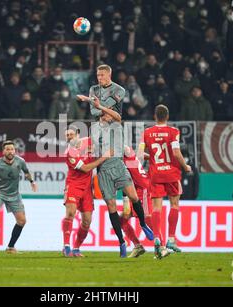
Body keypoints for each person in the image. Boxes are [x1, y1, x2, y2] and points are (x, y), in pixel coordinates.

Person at [77, 65, 153, 258]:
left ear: (109, 74)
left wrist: (99, 105)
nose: (99, 78)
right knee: (111, 206)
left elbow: (117, 115)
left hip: (118, 166)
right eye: (98, 75)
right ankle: (121, 242)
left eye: (102, 75)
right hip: (103, 170)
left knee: (134, 197)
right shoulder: (94, 128)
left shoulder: (116, 125)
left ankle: (143, 224)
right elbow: (95, 117)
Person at [139, 105, 192, 259]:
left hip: (156, 174)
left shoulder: (147, 132)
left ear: (155, 116)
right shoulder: (173, 132)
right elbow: (176, 152)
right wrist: (185, 166)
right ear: (167, 117)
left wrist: (153, 158)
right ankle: (171, 239)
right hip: (172, 174)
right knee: (174, 205)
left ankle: (157, 237)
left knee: (157, 208)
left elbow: (141, 154)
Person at [62, 126, 112, 257]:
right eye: (67, 136)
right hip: (73, 185)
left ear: (78, 135)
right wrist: (104, 158)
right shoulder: (70, 152)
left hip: (87, 188)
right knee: (71, 212)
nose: (69, 138)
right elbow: (85, 168)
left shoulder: (89, 141)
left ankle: (76, 248)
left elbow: (102, 140)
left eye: (71, 135)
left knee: (87, 221)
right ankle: (66, 246)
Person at [122, 146, 161, 258]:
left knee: (147, 217)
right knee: (122, 219)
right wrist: (152, 157)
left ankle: (161, 246)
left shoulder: (119, 151)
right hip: (133, 189)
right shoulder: (126, 150)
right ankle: (138, 245)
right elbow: (140, 154)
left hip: (141, 188)